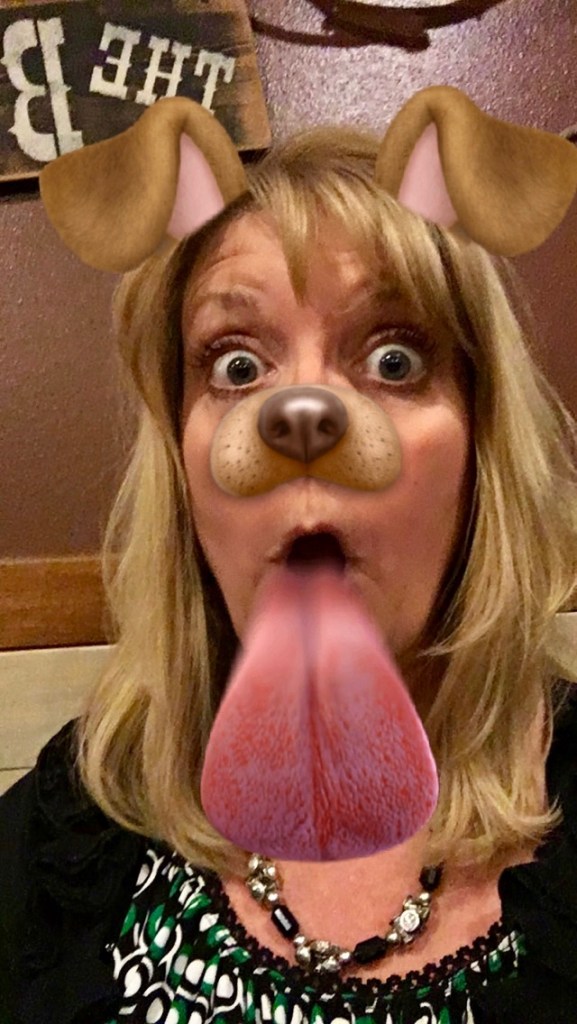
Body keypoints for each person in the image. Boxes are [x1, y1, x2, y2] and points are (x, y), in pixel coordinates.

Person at [1, 90, 577, 1024]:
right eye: (236, 365)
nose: (300, 415)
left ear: (479, 448)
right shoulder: (74, 824)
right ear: (182, 470)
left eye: (394, 359)